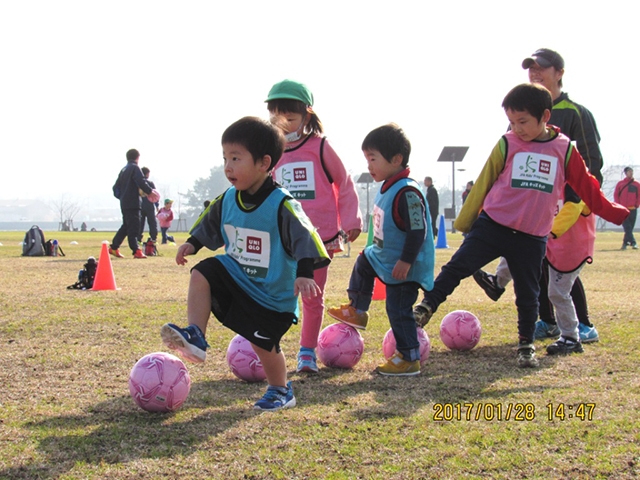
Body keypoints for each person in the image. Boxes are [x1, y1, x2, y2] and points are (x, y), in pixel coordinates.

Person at [412, 83, 628, 368]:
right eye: (512, 122)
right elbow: (485, 180)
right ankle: (427, 306)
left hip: (531, 237)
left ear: (545, 117)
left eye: (523, 121)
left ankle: (526, 344)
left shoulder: (563, 150)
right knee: (457, 266)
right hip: (493, 225)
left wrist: (617, 213)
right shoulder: (507, 142)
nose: (517, 128)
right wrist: (466, 221)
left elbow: (588, 189)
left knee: (528, 293)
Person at [160, 117, 330, 411]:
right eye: (225, 158)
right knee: (203, 271)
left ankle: (281, 390)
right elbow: (209, 222)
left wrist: (304, 274)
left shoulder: (283, 205)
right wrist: (193, 243)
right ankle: (195, 336)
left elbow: (306, 238)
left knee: (264, 345)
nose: (228, 167)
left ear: (264, 163)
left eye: (236, 158)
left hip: (272, 298)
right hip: (240, 284)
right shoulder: (227, 199)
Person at [473, 48, 605, 343]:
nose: (535, 73)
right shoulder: (518, 114)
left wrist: (573, 200)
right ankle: (547, 321)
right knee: (532, 261)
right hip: (529, 204)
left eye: (542, 68)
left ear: (559, 73)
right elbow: (509, 159)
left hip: (566, 204)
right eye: (530, 69)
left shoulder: (575, 113)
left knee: (563, 263)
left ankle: (582, 325)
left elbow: (592, 162)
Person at [265, 79, 362, 374]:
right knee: (277, 295)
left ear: (307, 116)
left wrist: (351, 221)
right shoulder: (270, 151)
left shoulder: (320, 147)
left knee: (312, 297)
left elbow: (344, 183)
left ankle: (306, 352)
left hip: (320, 238)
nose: (283, 125)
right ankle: (268, 348)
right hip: (282, 240)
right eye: (276, 119)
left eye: (291, 119)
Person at [328, 124, 434, 376]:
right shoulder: (388, 185)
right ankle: (358, 310)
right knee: (364, 262)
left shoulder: (407, 192)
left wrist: (406, 261)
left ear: (396, 159)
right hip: (384, 258)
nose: (369, 165)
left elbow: (418, 231)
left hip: (403, 267)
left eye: (373, 158)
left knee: (398, 310)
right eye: (367, 159)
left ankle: (409, 357)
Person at [544, 184, 598, 355]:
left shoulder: (576, 186)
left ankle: (571, 337)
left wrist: (549, 232)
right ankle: (498, 282)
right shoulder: (551, 184)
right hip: (555, 248)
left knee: (558, 293)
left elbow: (574, 208)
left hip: (571, 250)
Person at [110, 148, 155, 259]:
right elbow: (141, 181)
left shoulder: (124, 170)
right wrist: (150, 192)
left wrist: (122, 197)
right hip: (133, 203)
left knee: (126, 226)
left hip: (124, 203)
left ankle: (114, 247)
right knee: (134, 227)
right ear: (137, 157)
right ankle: (136, 250)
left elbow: (115, 187)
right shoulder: (135, 168)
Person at [614, 167, 640, 249]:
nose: (631, 173)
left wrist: (637, 204)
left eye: (632, 171)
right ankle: (633, 242)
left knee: (630, 228)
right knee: (627, 227)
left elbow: (639, 196)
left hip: (633, 209)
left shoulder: (637, 184)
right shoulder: (620, 184)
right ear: (625, 173)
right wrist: (618, 205)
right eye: (629, 172)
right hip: (623, 209)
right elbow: (616, 195)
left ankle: (625, 244)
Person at [138, 167, 159, 244]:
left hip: (140, 205)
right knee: (152, 223)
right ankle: (153, 238)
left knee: (140, 223)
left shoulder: (138, 183)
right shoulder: (150, 183)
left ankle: (138, 238)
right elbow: (155, 195)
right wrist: (157, 205)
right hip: (149, 205)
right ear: (147, 174)